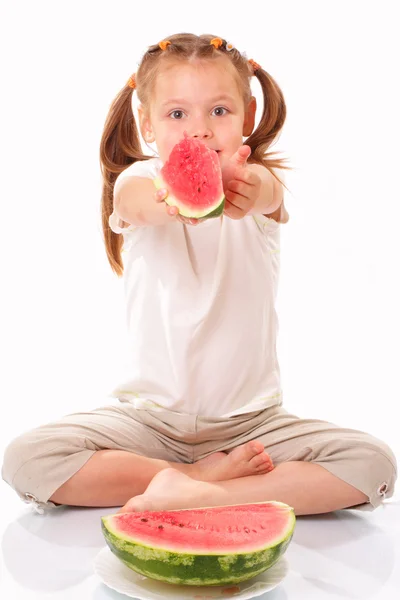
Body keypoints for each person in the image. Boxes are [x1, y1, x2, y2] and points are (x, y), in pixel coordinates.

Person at [2, 33, 397, 517]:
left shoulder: (259, 183)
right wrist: (174, 200)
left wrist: (244, 189)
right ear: (146, 123)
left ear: (247, 117)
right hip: (148, 424)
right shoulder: (139, 181)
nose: (200, 131)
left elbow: (267, 193)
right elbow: (135, 205)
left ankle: (205, 496)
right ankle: (193, 478)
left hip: (251, 427)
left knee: (372, 462)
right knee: (27, 458)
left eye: (219, 111)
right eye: (176, 114)